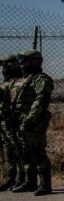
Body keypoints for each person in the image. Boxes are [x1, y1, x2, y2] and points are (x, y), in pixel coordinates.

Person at [9, 49, 54, 195]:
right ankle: (30, 181)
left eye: (24, 61)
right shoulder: (23, 80)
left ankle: (45, 184)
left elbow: (41, 101)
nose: (21, 65)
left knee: (37, 152)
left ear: (34, 62)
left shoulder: (41, 79)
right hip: (20, 121)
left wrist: (30, 119)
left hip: (34, 121)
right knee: (25, 152)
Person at [0, 54, 24, 191]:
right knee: (7, 149)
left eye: (6, 66)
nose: (4, 69)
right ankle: (10, 178)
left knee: (17, 149)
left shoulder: (19, 83)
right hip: (3, 120)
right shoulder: (5, 84)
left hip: (14, 120)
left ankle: (22, 178)